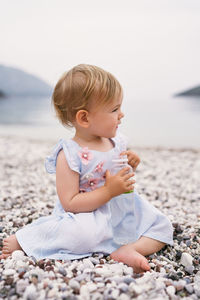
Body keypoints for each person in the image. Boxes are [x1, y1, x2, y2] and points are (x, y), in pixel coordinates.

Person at [0, 64, 173, 273]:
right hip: (86, 214)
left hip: (120, 208)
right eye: (114, 109)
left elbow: (120, 175)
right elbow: (70, 203)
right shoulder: (69, 155)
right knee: (80, 235)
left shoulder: (116, 142)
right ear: (84, 118)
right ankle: (25, 239)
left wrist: (131, 163)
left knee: (162, 225)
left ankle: (129, 249)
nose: (122, 114)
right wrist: (108, 191)